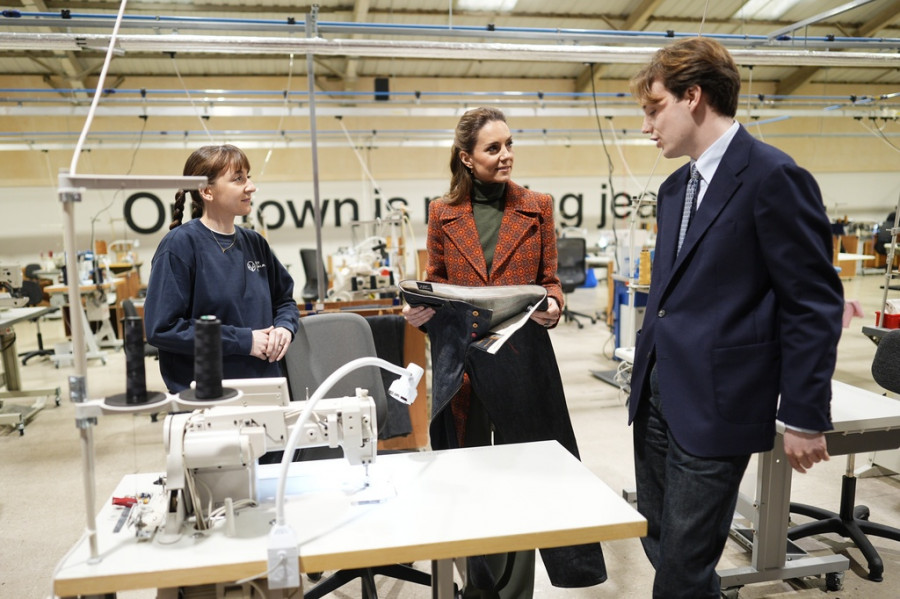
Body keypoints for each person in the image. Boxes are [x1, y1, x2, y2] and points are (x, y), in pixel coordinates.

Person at [627, 37, 844, 598]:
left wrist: (804, 413)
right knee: (662, 542)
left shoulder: (773, 177)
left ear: (692, 96)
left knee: (682, 568)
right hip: (657, 394)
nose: (647, 127)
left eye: (654, 110)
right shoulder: (676, 187)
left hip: (718, 402)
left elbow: (812, 301)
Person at [403, 106, 606, 598]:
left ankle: (517, 591)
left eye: (509, 144)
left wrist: (555, 303)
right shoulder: (441, 212)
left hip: (522, 359)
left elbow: (550, 279)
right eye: (493, 148)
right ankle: (479, 586)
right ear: (467, 158)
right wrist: (420, 310)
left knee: (528, 473)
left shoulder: (537, 205)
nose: (506, 155)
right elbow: (440, 285)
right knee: (469, 476)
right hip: (466, 366)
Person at [144, 144, 299, 393]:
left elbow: (284, 301)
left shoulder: (255, 242)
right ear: (206, 191)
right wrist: (244, 341)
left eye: (248, 177)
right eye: (238, 179)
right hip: (207, 394)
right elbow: (162, 328)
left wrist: (285, 326)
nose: (250, 186)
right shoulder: (180, 246)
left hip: (266, 386)